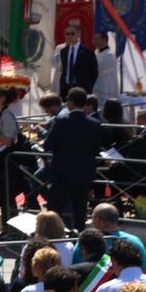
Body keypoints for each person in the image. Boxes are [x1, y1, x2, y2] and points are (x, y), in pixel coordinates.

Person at [47, 88, 107, 228]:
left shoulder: (61, 121)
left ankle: (54, 237)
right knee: (80, 213)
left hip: (62, 174)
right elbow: (96, 149)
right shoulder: (94, 124)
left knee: (54, 212)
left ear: (71, 102)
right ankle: (80, 237)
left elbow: (48, 145)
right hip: (83, 174)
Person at [56, 24, 99, 95]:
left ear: (78, 34)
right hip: (65, 88)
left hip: (81, 89)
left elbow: (94, 71)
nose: (70, 36)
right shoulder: (64, 51)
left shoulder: (87, 51)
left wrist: (88, 86)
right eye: (67, 34)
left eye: (72, 34)